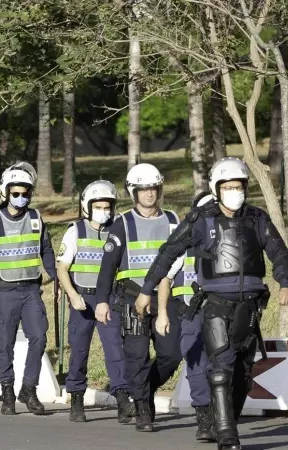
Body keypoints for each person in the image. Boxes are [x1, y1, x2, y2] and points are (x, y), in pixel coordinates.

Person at [138, 157, 288, 450]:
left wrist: (285, 282)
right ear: (216, 189)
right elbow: (167, 253)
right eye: (228, 187)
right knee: (220, 370)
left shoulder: (257, 218)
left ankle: (229, 420)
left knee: (242, 374)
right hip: (216, 304)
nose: (235, 191)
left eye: (239, 186)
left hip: (250, 306)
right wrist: (147, 290)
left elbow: (280, 252)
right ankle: (226, 436)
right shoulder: (200, 220)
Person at [95, 163, 182, 432]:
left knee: (171, 354)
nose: (149, 194)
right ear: (134, 192)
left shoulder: (172, 220)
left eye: (153, 188)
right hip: (132, 299)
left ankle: (146, 388)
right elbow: (108, 265)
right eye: (144, 190)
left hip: (165, 298)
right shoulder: (122, 224)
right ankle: (143, 408)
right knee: (137, 357)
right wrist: (101, 300)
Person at [0, 162, 56, 416]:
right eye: (16, 193)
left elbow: (47, 251)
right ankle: (8, 392)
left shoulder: (36, 218)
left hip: (31, 290)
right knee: (5, 344)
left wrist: (58, 280)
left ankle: (28, 389)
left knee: (39, 337)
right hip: (5, 291)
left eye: (25, 193)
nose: (21, 198)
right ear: (5, 193)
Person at [57, 180, 133, 423]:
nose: (105, 211)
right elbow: (62, 268)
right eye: (99, 206)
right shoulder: (75, 231)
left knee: (115, 350)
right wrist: (72, 294)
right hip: (82, 298)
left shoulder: (119, 229)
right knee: (79, 351)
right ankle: (77, 399)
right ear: (87, 207)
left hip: (109, 299)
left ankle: (122, 399)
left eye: (108, 207)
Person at [160, 192, 215, 442]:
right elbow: (165, 280)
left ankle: (222, 415)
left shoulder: (228, 243)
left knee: (222, 367)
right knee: (196, 367)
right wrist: (162, 313)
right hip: (190, 317)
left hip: (221, 316)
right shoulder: (184, 246)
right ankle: (204, 419)